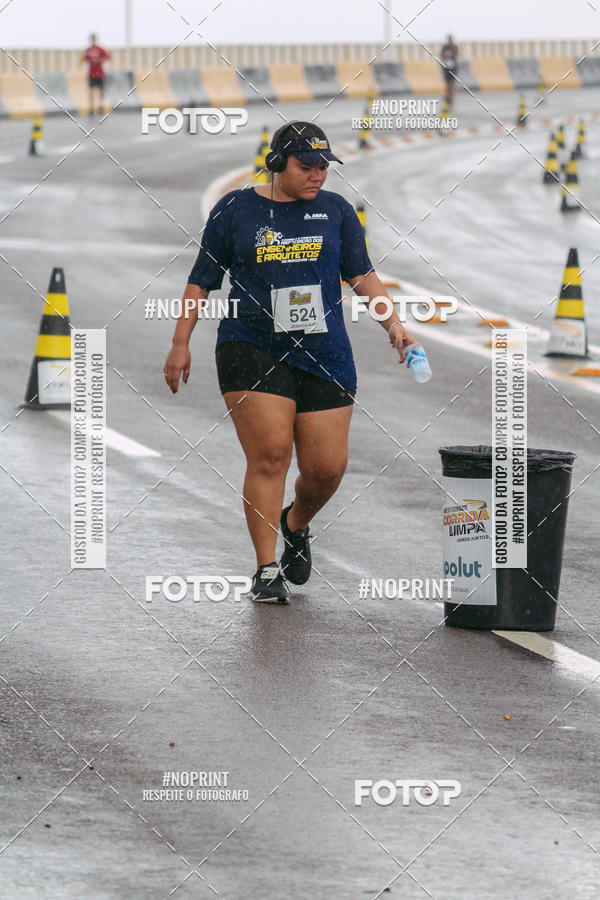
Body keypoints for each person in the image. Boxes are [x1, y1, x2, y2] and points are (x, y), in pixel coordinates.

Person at [163, 121, 417, 604]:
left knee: (327, 469)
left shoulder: (337, 212)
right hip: (250, 345)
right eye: (307, 166)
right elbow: (201, 280)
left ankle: (295, 523)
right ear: (278, 163)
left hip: (324, 351)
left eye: (324, 167)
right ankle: (265, 568)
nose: (317, 175)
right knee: (272, 454)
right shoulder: (235, 210)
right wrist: (181, 343)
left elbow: (362, 275)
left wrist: (394, 324)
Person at [82, 33, 111, 117]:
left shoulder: (100, 49)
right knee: (91, 92)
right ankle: (91, 109)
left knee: (101, 91)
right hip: (91, 74)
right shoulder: (88, 50)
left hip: (100, 73)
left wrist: (98, 60)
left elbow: (107, 57)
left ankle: (101, 108)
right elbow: (84, 59)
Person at [439, 34, 459, 103]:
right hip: (446, 67)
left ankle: (451, 93)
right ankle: (448, 93)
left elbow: (457, 53)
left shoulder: (454, 46)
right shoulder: (445, 46)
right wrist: (446, 55)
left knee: (452, 81)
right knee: (447, 81)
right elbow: (441, 55)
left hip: (453, 66)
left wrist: (451, 54)